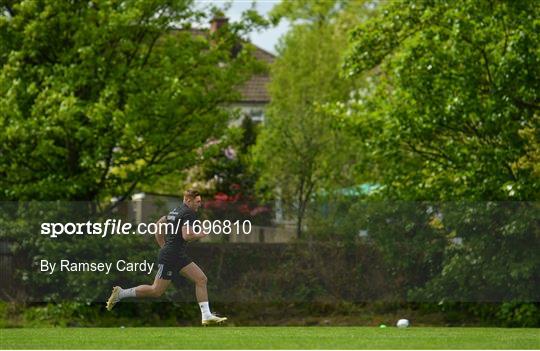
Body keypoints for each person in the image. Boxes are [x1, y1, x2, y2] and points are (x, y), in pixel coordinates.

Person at [106, 189, 227, 325]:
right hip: (172, 256)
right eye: (197, 202)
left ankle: (206, 315)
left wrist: (163, 245)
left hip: (175, 254)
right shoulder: (189, 213)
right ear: (188, 200)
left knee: (201, 279)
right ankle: (121, 293)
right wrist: (201, 234)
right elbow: (186, 235)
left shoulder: (176, 210)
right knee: (155, 290)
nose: (199, 204)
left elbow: (159, 224)